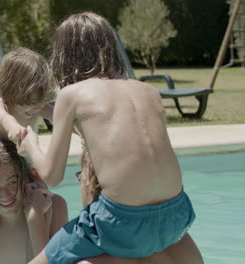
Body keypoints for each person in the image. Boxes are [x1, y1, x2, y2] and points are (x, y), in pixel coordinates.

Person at [17, 12, 203, 264]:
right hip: (178, 214)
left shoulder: (71, 94)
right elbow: (113, 134)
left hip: (122, 220)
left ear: (63, 55)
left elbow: (52, 175)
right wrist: (48, 111)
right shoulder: (148, 90)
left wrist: (31, 145)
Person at [0, 139, 68, 264]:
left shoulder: (55, 207)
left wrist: (35, 218)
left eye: (11, 182)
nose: (5, 196)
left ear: (24, 177)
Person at [0, 47, 56, 144]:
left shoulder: (39, 107)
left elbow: (62, 120)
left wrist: (81, 132)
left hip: (22, 158)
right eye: (32, 102)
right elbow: (5, 119)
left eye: (42, 101)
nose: (39, 107)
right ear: (12, 91)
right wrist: (14, 127)